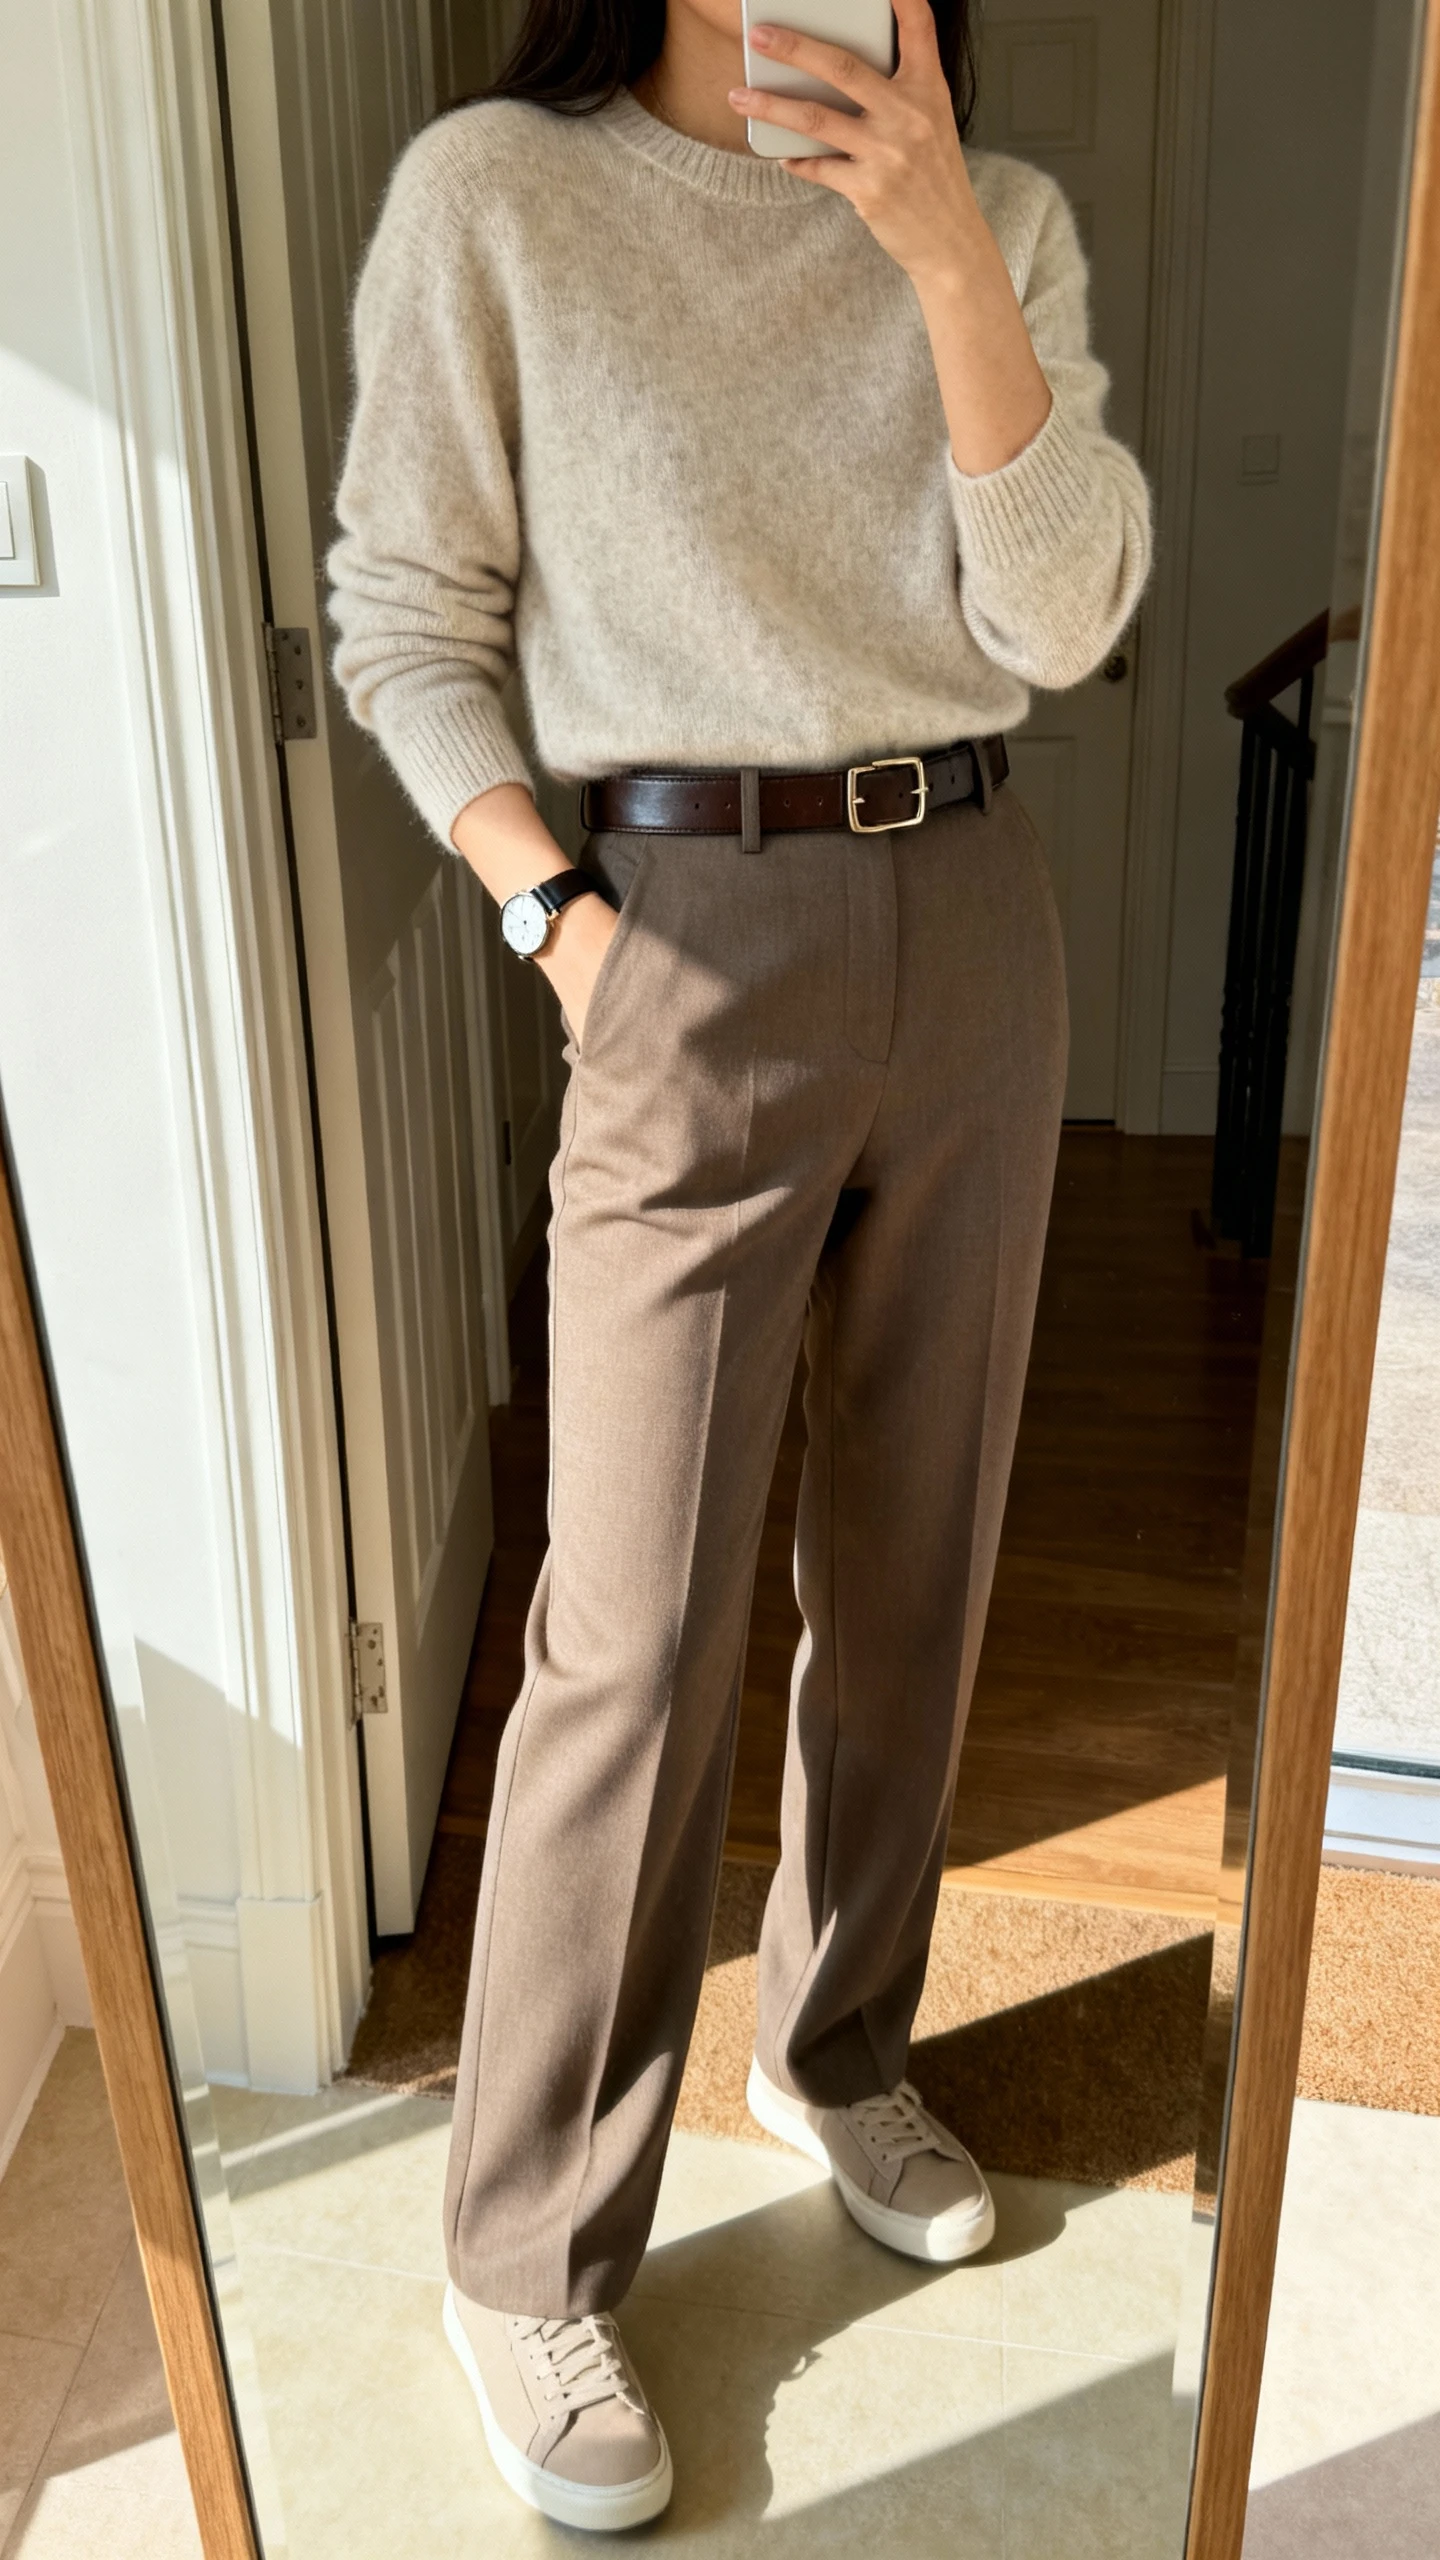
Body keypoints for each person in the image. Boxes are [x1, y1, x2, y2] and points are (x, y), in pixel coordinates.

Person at [329, 0, 1150, 2528]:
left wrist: (936, 255)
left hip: (973, 911)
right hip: (678, 916)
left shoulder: (990, 215)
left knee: (914, 1559)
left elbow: (1072, 617)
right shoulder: (502, 193)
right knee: (638, 1614)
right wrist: (566, 924)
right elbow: (402, 614)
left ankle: (840, 2038)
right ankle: (525, 2240)